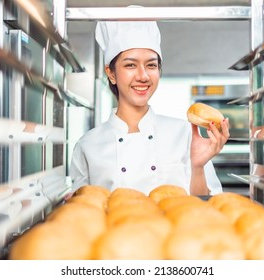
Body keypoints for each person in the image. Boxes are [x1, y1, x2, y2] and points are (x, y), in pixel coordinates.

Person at [69, 18, 230, 196]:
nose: (143, 76)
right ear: (111, 73)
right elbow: (81, 212)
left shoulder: (185, 134)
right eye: (130, 65)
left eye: (151, 65)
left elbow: (205, 210)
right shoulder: (88, 146)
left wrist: (198, 168)